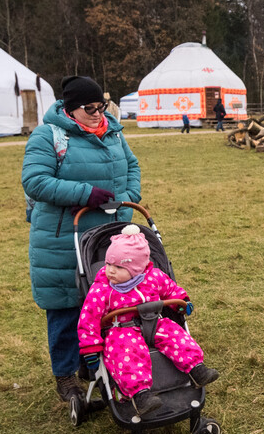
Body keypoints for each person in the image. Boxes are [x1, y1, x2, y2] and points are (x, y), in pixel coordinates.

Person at [22, 76, 141, 405]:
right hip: (63, 237)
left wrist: (128, 199)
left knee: (104, 302)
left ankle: (94, 364)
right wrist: (85, 194)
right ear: (70, 110)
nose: (97, 113)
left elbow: (132, 166)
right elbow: (35, 180)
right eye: (89, 109)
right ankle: (65, 374)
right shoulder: (49, 135)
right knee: (66, 307)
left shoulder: (113, 132)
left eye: (101, 106)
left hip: (109, 233)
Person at [77, 225, 217, 414]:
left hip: (155, 321)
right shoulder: (102, 289)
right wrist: (90, 348)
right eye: (108, 264)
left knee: (176, 335)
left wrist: (181, 302)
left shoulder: (154, 277)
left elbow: (171, 291)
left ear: (136, 268)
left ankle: (196, 369)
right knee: (127, 354)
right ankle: (140, 395)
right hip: (121, 329)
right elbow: (88, 319)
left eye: (118, 267)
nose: (110, 270)